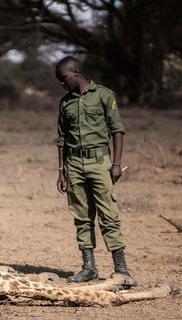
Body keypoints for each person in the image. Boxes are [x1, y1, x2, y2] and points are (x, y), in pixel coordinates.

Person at [54, 56, 136, 287]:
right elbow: (61, 140)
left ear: (76, 72)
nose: (62, 84)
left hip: (100, 163)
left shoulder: (104, 95)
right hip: (74, 165)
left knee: (109, 215)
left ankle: (122, 270)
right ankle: (89, 268)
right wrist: (62, 171)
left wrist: (116, 164)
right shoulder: (65, 103)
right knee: (81, 217)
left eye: (64, 78)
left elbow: (117, 130)